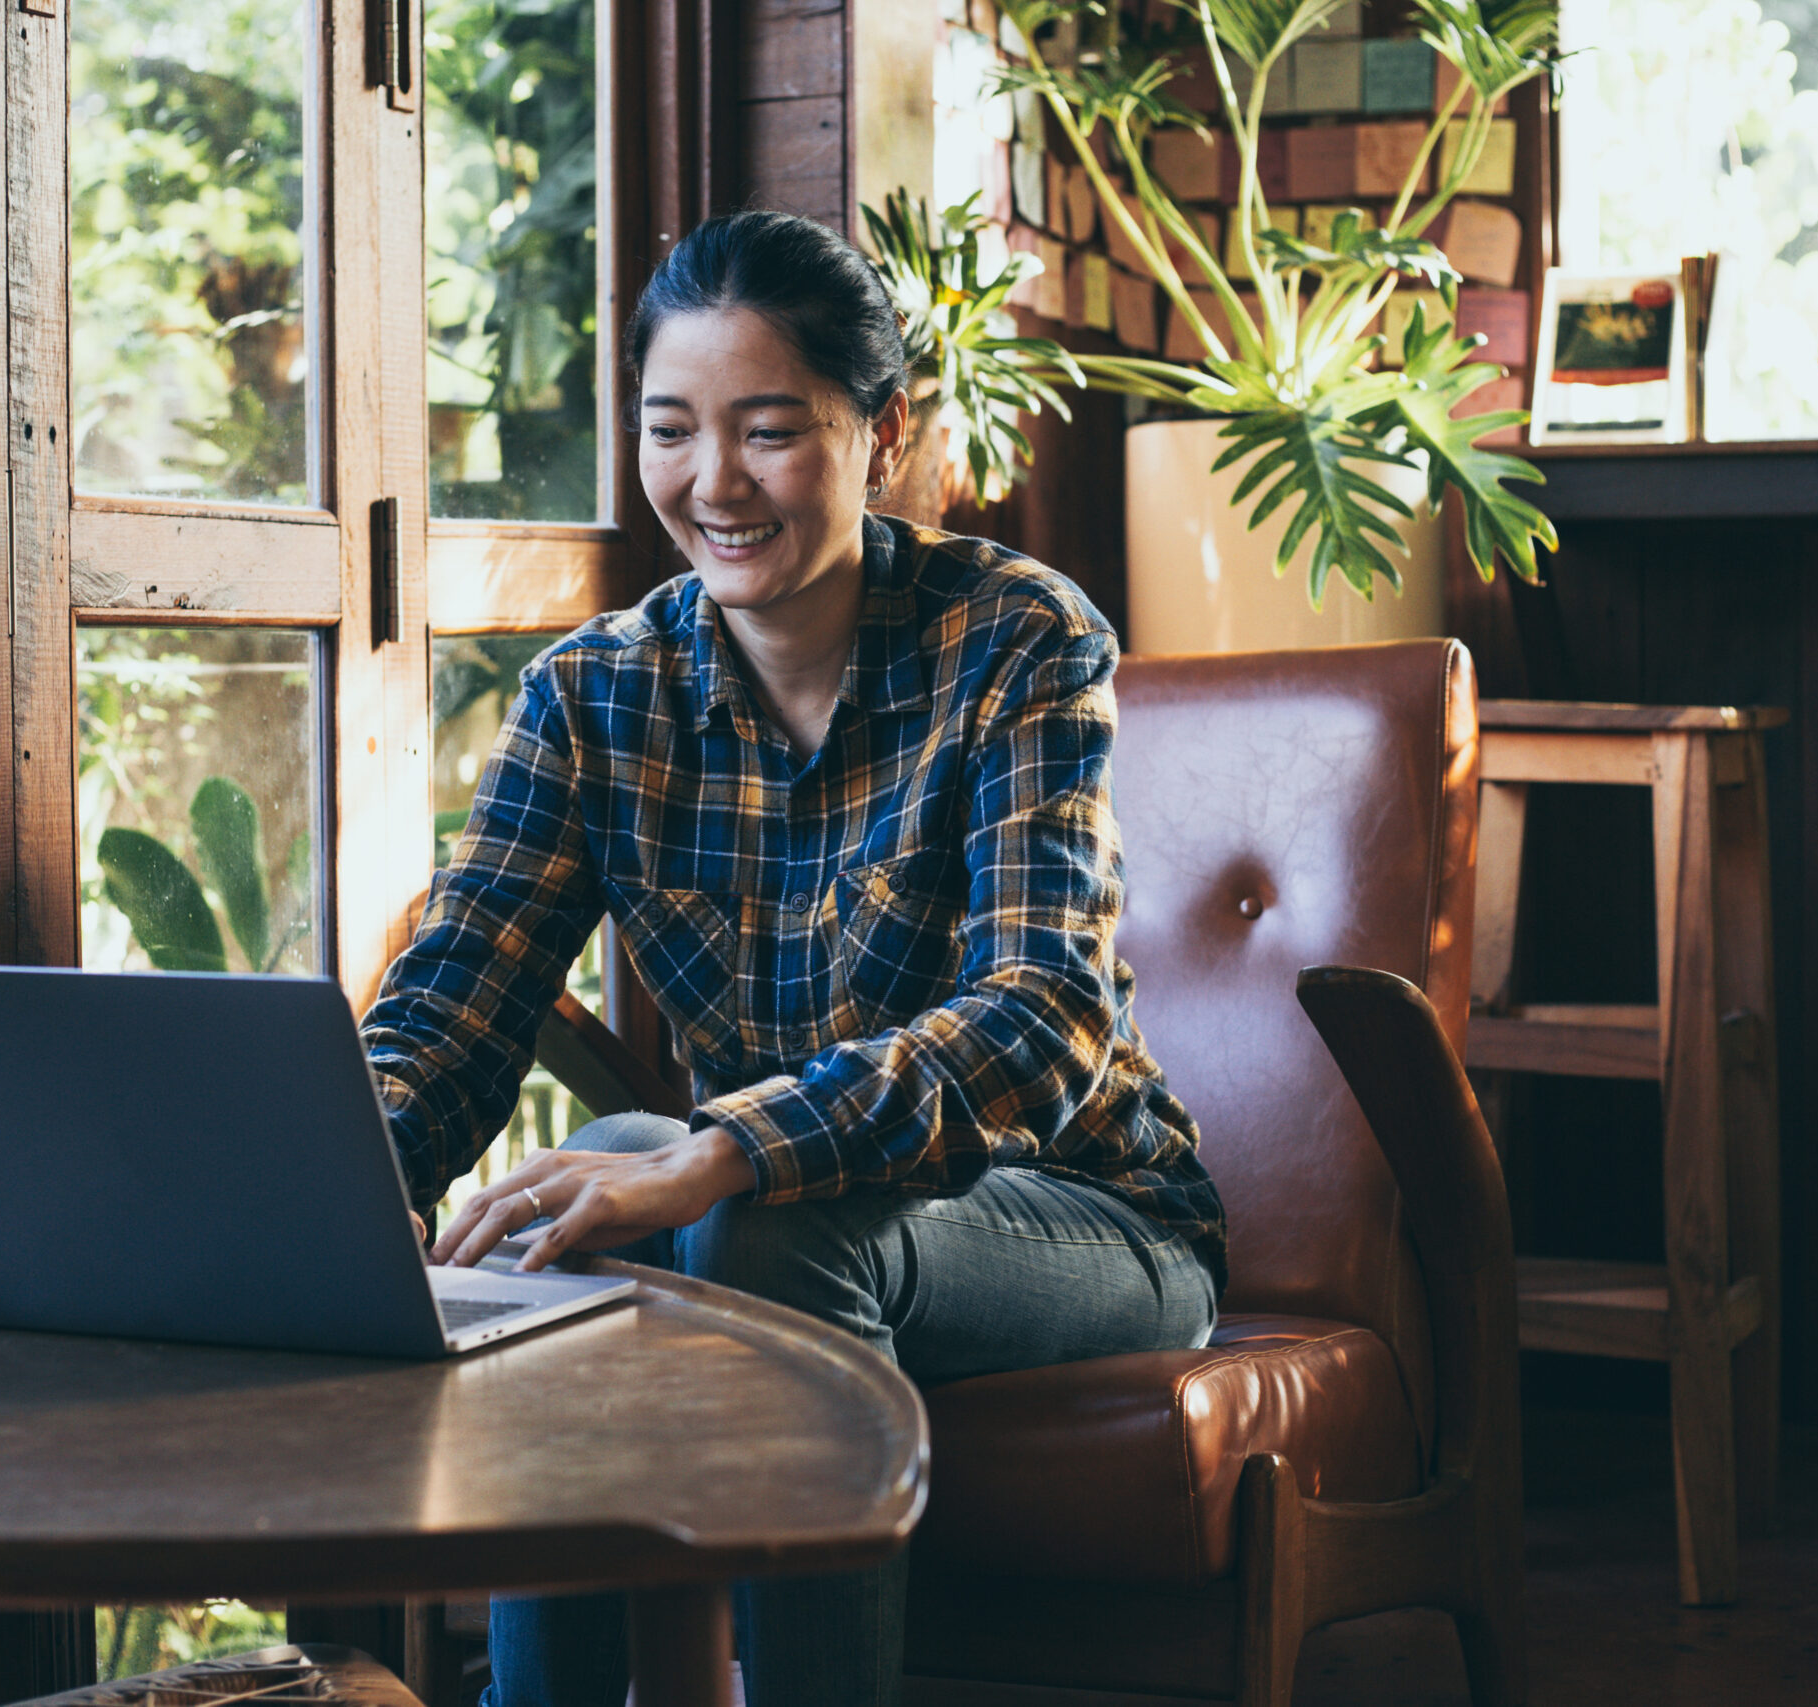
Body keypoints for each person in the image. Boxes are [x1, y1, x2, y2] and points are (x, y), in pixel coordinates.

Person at [361, 210, 1226, 1707]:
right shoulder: (594, 697)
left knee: (755, 1221)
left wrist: (724, 1152)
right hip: (772, 1207)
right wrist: (314, 1189)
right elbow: (450, 1009)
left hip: (1088, 1216)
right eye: (672, 431)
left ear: (882, 432)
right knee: (561, 1212)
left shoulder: (1016, 641)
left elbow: (1042, 1016)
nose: (714, 485)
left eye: (768, 432)